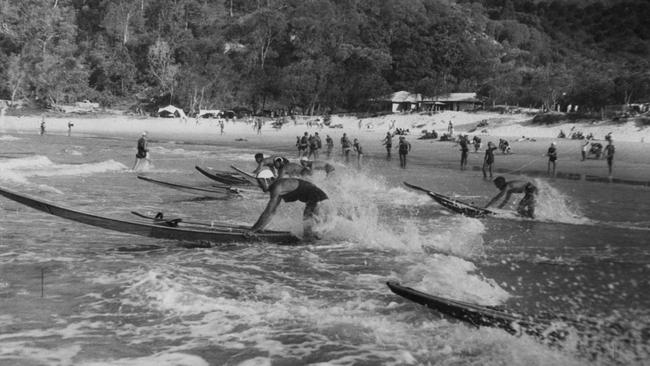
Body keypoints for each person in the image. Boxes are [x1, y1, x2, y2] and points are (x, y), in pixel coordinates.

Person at [248, 168, 328, 240]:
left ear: (269, 180)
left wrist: (252, 230)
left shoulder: (277, 188)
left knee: (308, 234)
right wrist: (260, 227)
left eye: (260, 181)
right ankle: (320, 241)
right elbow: (272, 212)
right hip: (317, 198)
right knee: (308, 231)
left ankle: (316, 244)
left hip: (317, 198)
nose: (258, 185)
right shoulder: (278, 187)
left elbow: (268, 212)